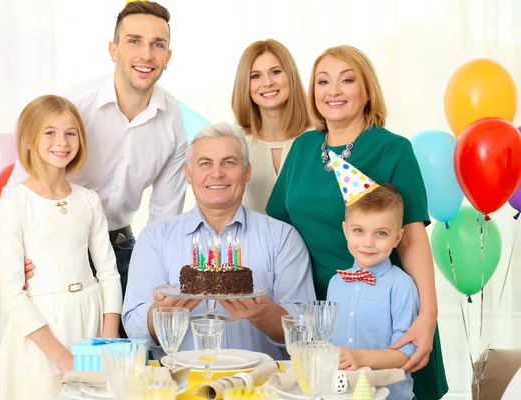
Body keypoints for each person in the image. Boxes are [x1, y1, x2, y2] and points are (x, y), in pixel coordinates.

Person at [266, 45, 448, 399]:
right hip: (323, 313)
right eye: (323, 81)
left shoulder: (393, 149)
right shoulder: (303, 148)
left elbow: (411, 240)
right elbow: (278, 233)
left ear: (367, 91)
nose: (333, 91)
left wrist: (427, 316)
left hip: (385, 313)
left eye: (346, 80)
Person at [0, 1, 187, 338]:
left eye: (157, 44)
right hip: (58, 247)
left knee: (126, 357)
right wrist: (13, 259)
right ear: (113, 50)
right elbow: (15, 191)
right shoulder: (73, 108)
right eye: (134, 41)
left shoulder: (174, 125)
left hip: (122, 247)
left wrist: (153, 278)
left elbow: (164, 220)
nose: (146, 54)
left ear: (168, 57)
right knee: (62, 355)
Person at [122, 122, 316, 359]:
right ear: (188, 173)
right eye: (205, 163)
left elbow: (306, 331)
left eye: (229, 162)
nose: (217, 173)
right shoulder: (155, 239)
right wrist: (161, 314)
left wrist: (261, 312)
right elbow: (134, 330)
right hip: (181, 385)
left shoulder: (283, 238)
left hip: (261, 386)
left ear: (246, 172)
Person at [0, 95, 122, 399]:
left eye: (70, 132)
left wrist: (107, 342)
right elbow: (12, 293)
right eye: (49, 132)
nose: (61, 142)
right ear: (29, 138)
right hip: (41, 332)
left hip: (89, 319)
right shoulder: (14, 203)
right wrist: (63, 358)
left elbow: (108, 273)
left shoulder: (88, 200)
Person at [325, 156, 418, 399]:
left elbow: (405, 354)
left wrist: (359, 357)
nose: (368, 243)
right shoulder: (335, 284)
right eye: (359, 231)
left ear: (397, 238)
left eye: (381, 233)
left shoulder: (401, 286)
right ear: (346, 230)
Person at [231, 39, 310, 214]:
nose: (267, 82)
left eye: (275, 72)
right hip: (251, 241)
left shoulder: (319, 137)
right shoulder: (235, 142)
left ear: (291, 76)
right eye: (255, 76)